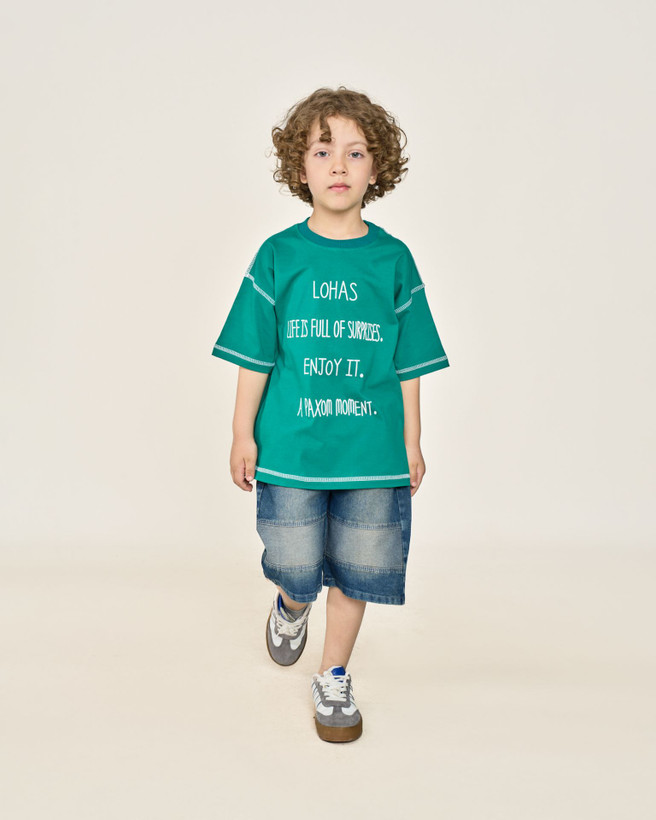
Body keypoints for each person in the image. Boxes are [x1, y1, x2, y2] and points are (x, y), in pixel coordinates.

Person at [211, 86, 450, 742]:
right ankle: (291, 604)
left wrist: (412, 441)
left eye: (355, 152)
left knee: (359, 567)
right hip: (292, 448)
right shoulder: (278, 255)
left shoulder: (393, 260)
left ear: (378, 169)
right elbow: (256, 355)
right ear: (301, 166)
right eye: (322, 151)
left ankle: (334, 673)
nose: (338, 165)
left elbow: (408, 363)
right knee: (296, 562)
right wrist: (241, 433)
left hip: (371, 452)